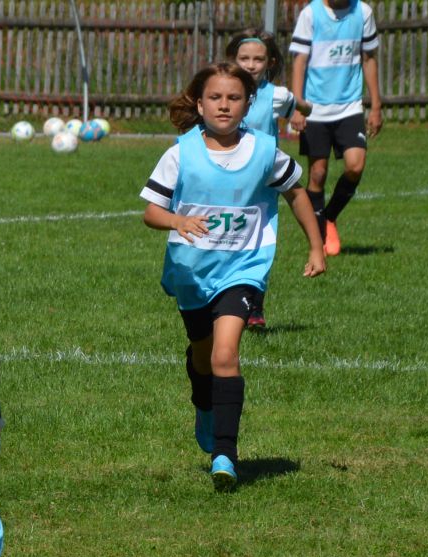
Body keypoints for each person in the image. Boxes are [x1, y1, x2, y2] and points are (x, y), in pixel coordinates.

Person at [142, 64, 324, 492]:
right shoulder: (181, 153)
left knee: (225, 355)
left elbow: (296, 193)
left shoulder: (264, 151)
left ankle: (225, 454)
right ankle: (204, 407)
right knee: (202, 355)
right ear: (199, 104)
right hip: (192, 272)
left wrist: (316, 246)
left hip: (243, 269)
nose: (224, 105)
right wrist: (177, 221)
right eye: (215, 98)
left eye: (234, 98)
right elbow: (151, 212)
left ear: (248, 104)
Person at [288, 0, 382, 256]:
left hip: (349, 106)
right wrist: (298, 105)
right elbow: (299, 62)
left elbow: (369, 59)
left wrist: (375, 106)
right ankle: (319, 238)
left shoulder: (363, 12)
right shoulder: (311, 14)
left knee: (355, 165)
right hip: (315, 108)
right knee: (317, 174)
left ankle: (329, 217)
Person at [226, 28, 296, 330]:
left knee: (258, 242)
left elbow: (295, 108)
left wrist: (302, 115)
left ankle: (255, 305)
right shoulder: (225, 93)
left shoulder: (276, 96)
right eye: (244, 58)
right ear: (233, 59)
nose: (251, 65)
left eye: (258, 59)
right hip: (227, 177)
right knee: (228, 238)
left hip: (263, 183)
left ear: (270, 62)